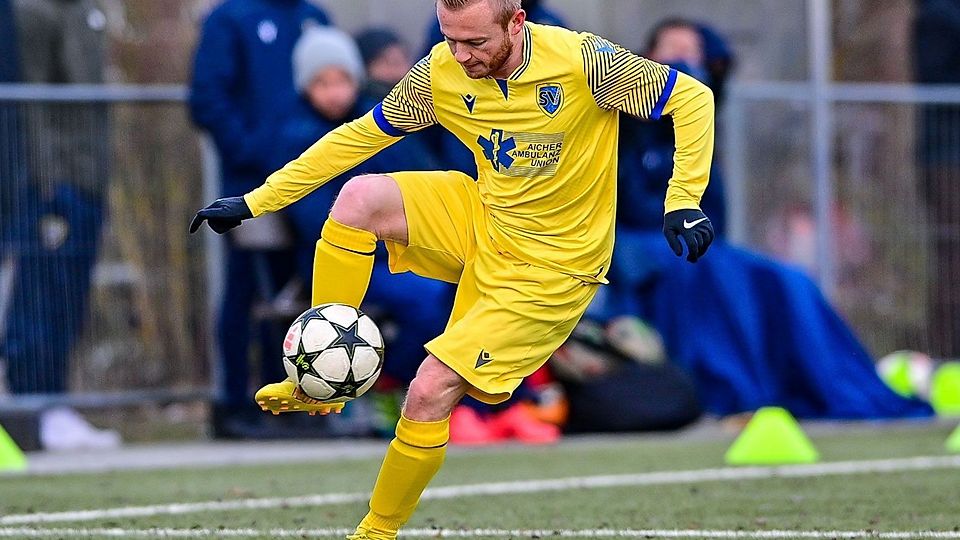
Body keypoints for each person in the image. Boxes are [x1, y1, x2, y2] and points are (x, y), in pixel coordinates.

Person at [191, 1, 715, 537]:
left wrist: (683, 199)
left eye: (476, 44)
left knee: (427, 391)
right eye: (450, 39)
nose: (460, 56)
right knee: (360, 199)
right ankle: (328, 373)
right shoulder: (444, 69)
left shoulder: (585, 63)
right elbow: (357, 138)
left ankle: (375, 532)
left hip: (555, 267)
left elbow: (692, 98)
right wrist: (258, 200)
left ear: (516, 23)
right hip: (487, 220)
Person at [187, 0, 330, 438]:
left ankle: (290, 399)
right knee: (247, 288)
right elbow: (207, 99)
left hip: (311, 184)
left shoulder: (314, 18)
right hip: (250, 187)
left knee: (302, 288)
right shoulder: (232, 18)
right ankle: (234, 404)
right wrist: (252, 152)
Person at [2, 0, 120, 450]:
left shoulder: (86, 11)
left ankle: (56, 402)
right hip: (51, 183)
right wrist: (47, 184)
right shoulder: (31, 13)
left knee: (70, 297)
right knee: (40, 296)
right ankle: (34, 406)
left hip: (88, 179)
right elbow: (31, 106)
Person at [914, 0, 960, 359]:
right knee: (952, 255)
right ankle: (948, 355)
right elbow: (937, 73)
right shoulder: (936, 15)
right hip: (948, 157)